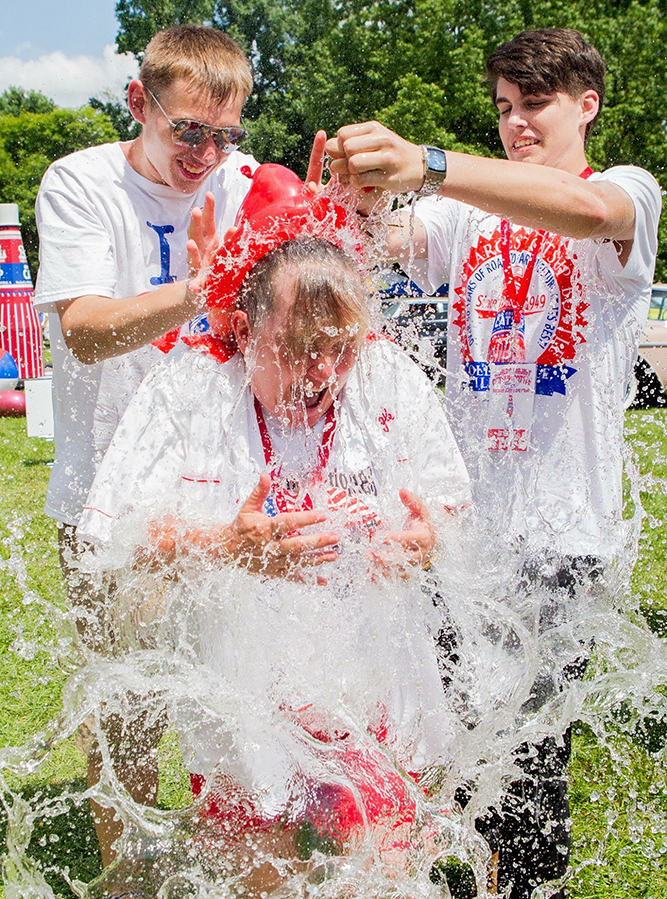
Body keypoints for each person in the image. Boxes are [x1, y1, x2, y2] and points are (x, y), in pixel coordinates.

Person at [324, 27, 662, 899]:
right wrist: (356, 198)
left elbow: (582, 215)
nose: (515, 125)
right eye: (504, 109)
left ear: (586, 106)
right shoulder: (466, 214)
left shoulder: (627, 191)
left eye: (534, 106)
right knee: (464, 751)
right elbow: (386, 243)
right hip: (462, 530)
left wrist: (428, 160)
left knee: (531, 761)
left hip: (559, 534)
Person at [77, 165, 472, 896]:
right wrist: (224, 545)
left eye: (340, 345)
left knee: (379, 870)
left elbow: (448, 504)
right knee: (257, 873)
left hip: (371, 675)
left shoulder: (386, 374)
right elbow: (120, 538)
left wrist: (429, 538)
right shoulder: (189, 386)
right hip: (239, 685)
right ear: (240, 324)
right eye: (297, 347)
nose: (323, 371)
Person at [31, 23, 322, 868]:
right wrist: (203, 285)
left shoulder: (240, 183)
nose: (206, 156)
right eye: (187, 130)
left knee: (240, 685)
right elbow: (83, 332)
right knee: (127, 699)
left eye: (225, 135)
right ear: (138, 102)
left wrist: (331, 212)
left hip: (222, 484)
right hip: (107, 494)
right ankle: (126, 871)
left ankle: (238, 861)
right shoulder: (80, 181)